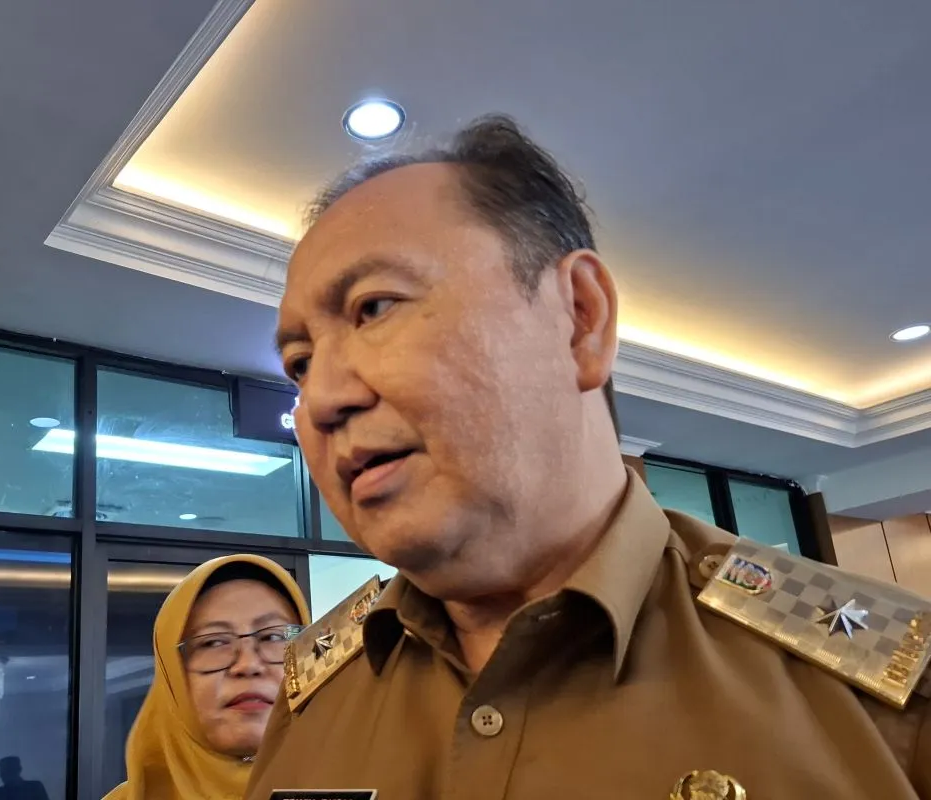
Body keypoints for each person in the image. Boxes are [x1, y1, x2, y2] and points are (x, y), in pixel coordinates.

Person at [248, 115, 931, 799]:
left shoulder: (885, 683)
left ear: (579, 317)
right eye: (300, 363)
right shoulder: (311, 698)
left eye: (373, 308)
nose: (321, 399)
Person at [103, 554, 310, 800]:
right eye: (213, 642)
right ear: (173, 679)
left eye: (273, 637)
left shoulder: (348, 781)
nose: (248, 665)